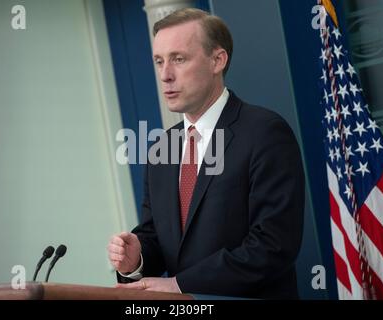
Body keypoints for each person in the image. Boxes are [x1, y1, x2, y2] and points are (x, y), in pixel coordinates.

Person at [107, 8, 305, 299]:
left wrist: (181, 285)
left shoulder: (265, 132)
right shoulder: (161, 148)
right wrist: (135, 260)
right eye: (159, 61)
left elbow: (273, 246)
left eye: (178, 59)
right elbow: (157, 239)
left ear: (217, 60)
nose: (165, 75)